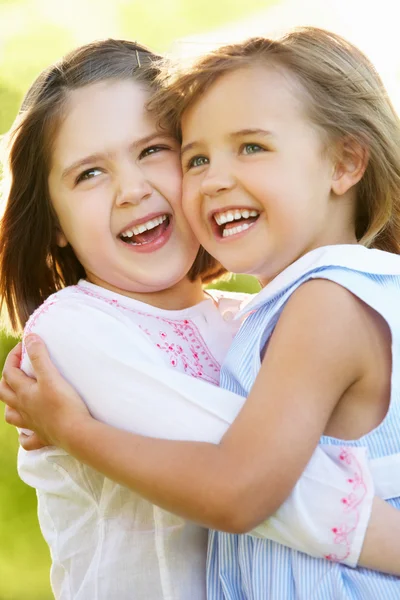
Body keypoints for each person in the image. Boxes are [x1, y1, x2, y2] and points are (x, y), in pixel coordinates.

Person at [1, 29, 400, 600]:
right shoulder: (72, 332)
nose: (131, 190)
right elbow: (263, 484)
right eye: (89, 173)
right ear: (55, 224)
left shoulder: (257, 319)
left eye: (154, 151)